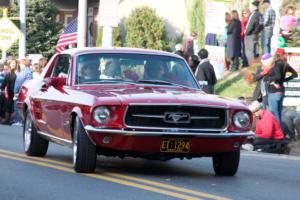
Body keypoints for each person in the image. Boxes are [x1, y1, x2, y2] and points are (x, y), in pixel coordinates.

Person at [267, 48, 298, 124]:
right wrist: (284, 80)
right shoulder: (285, 64)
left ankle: (278, 133)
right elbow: (295, 74)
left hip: (274, 91)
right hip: (281, 91)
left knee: (274, 113)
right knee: (279, 112)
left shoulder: (277, 64)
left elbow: (278, 76)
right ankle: (281, 132)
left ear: (276, 55)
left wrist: (271, 80)